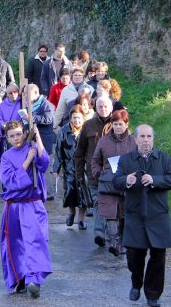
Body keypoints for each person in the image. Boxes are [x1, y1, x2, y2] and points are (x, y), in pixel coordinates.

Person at [114, 124, 171, 306]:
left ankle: (153, 295)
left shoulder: (163, 158)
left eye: (149, 137)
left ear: (153, 139)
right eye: (142, 137)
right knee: (134, 256)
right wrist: (126, 180)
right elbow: (116, 181)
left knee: (158, 257)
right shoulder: (126, 160)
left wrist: (155, 180)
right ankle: (136, 282)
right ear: (135, 139)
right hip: (135, 216)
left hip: (158, 216)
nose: (145, 140)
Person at [0, 120, 52, 298]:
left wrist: (37, 137)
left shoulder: (33, 146)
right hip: (14, 207)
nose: (16, 138)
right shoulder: (6, 156)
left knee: (36, 241)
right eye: (11, 136)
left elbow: (44, 163)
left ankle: (35, 279)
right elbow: (10, 182)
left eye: (18, 134)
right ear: (7, 138)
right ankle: (20, 277)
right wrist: (27, 160)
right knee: (15, 244)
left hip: (33, 204)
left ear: (24, 133)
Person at [91, 109, 137, 256]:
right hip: (108, 183)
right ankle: (114, 243)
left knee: (123, 214)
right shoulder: (103, 141)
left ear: (127, 124)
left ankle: (122, 243)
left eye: (120, 124)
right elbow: (95, 160)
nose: (118, 127)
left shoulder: (133, 141)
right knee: (110, 214)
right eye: (115, 124)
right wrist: (98, 174)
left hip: (127, 184)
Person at [74, 97, 113, 245]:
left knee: (111, 202)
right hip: (93, 174)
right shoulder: (88, 126)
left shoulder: (117, 124)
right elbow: (80, 152)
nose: (103, 109)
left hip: (113, 173)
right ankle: (99, 233)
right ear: (96, 108)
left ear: (111, 107)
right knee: (98, 201)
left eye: (106, 106)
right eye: (100, 106)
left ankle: (111, 232)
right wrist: (79, 174)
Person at [53, 105, 88, 230]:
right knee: (70, 193)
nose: (76, 121)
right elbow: (58, 152)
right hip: (69, 168)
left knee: (84, 195)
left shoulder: (87, 130)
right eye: (74, 118)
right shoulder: (63, 131)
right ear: (70, 118)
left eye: (79, 118)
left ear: (83, 118)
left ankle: (81, 219)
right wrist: (56, 169)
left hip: (84, 168)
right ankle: (71, 213)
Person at [24, 83, 56, 200]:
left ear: (36, 93)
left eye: (28, 95)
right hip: (33, 138)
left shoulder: (45, 104)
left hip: (44, 139)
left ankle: (49, 192)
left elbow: (48, 119)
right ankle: (38, 188)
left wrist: (31, 118)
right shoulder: (30, 104)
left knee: (45, 165)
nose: (26, 98)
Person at [0, 83, 23, 157]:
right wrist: (2, 125)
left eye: (15, 92)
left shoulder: (23, 102)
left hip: (21, 134)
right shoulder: (1, 106)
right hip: (8, 135)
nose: (13, 94)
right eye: (10, 93)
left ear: (18, 91)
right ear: (7, 94)